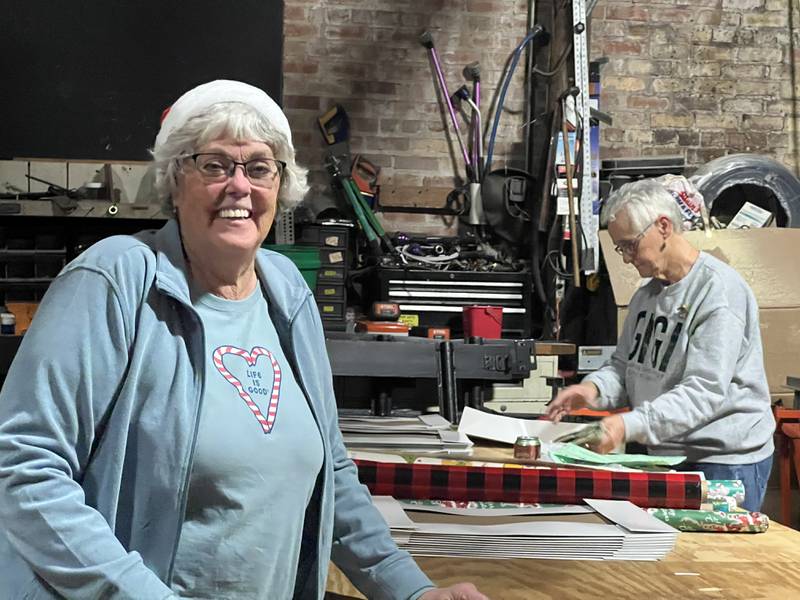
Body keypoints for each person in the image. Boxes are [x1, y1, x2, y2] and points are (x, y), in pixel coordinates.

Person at [0, 80, 488, 600]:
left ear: (280, 185)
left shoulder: (287, 291)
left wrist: (409, 588)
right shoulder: (115, 281)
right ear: (175, 180)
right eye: (214, 165)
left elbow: (332, 472)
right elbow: (24, 470)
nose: (239, 186)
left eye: (259, 167)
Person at [546, 178, 775, 512]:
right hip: (667, 454)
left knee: (710, 563)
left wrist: (627, 425)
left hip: (722, 461)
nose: (625, 258)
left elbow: (703, 391)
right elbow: (625, 366)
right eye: (619, 248)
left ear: (663, 227)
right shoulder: (647, 295)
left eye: (630, 245)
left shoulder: (718, 293)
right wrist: (592, 390)